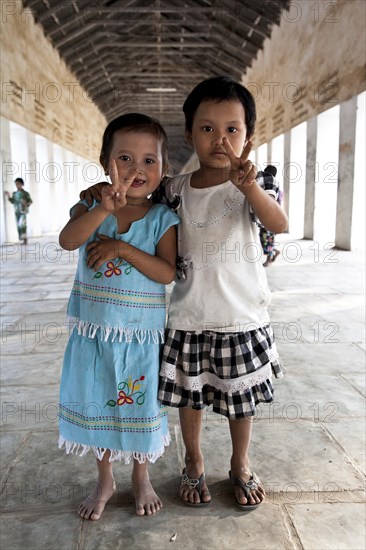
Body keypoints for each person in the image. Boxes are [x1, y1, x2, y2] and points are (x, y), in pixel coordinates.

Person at [80, 76, 288, 512]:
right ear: (190, 132)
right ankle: (193, 460)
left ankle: (240, 462)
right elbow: (132, 191)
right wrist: (98, 192)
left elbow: (278, 223)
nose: (220, 139)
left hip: (240, 317)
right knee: (189, 398)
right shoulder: (174, 190)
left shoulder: (254, 183)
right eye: (208, 128)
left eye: (233, 129)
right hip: (187, 318)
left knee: (239, 400)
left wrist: (249, 184)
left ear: (249, 136)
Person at [58, 113, 180, 520]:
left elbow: (166, 272)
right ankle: (105, 477)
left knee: (138, 406)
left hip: (141, 338)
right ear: (104, 160)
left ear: (164, 170)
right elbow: (68, 239)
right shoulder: (91, 203)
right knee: (99, 403)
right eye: (125, 158)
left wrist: (122, 249)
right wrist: (101, 209)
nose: (137, 169)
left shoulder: (163, 219)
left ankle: (141, 476)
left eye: (150, 160)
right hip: (94, 333)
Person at [259, 165, 283, 266]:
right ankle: (274, 252)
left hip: (270, 216)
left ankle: (269, 259)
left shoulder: (271, 187)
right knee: (265, 237)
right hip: (271, 216)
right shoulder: (277, 187)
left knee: (267, 238)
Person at [4, 177, 32, 244]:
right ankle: (22, 239)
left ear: (22, 184)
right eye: (16, 184)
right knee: (18, 225)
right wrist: (8, 196)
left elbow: (30, 201)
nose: (17, 185)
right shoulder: (14, 193)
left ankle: (25, 239)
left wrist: (25, 203)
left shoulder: (25, 193)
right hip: (17, 211)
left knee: (22, 225)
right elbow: (12, 201)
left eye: (19, 184)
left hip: (23, 211)